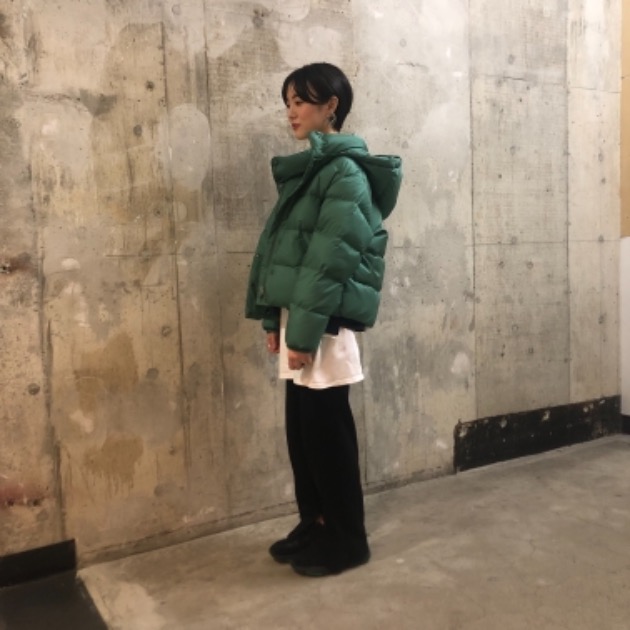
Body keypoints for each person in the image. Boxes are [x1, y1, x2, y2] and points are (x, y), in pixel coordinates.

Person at [245, 62, 402, 577]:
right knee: (302, 431)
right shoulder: (313, 169)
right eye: (287, 102)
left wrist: (302, 334)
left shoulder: (345, 173)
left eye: (301, 101)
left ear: (331, 105)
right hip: (302, 317)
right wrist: (273, 320)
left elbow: (328, 261)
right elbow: (283, 253)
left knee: (326, 433)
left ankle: (348, 538)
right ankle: (315, 522)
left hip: (325, 323)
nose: (291, 112)